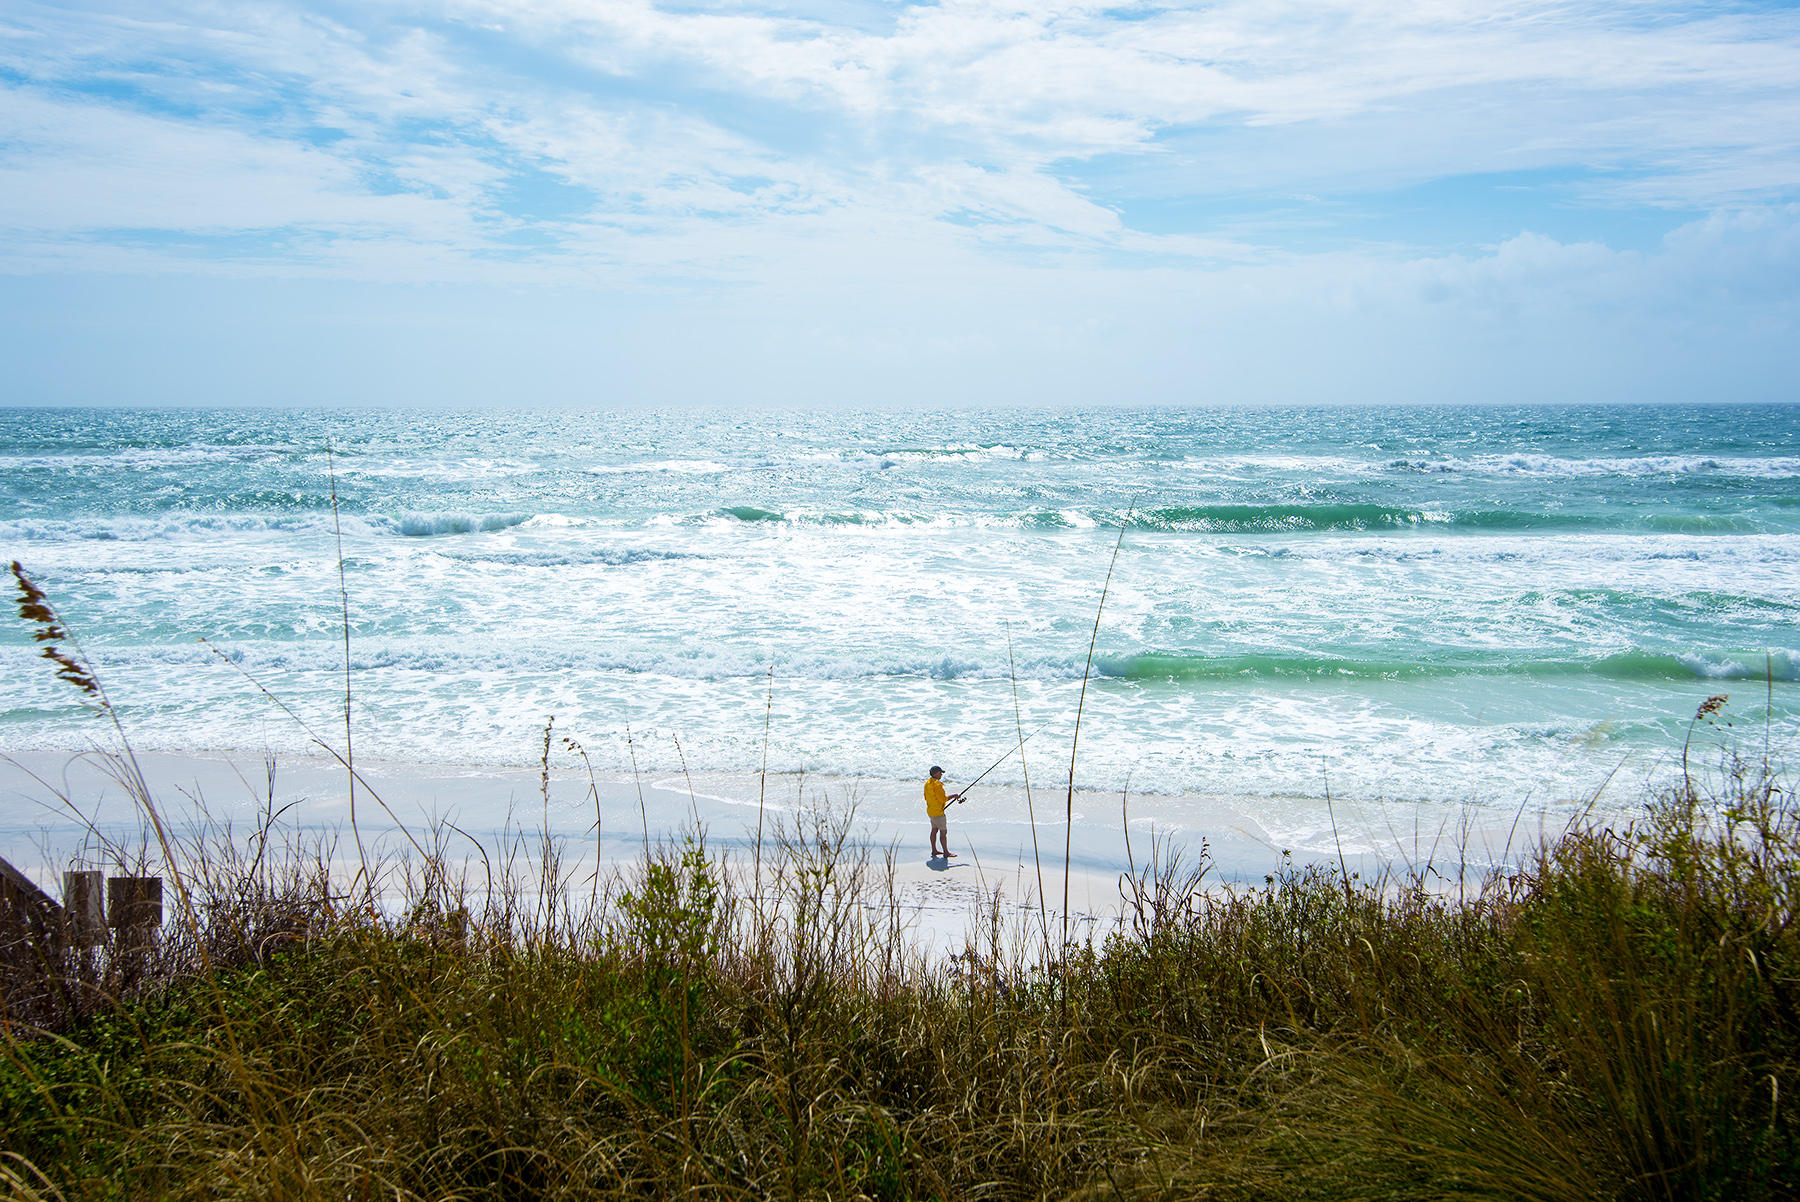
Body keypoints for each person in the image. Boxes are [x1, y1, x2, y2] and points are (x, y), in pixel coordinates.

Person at [925, 765, 962, 858]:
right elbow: (943, 799)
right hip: (938, 813)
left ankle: (934, 850)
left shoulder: (928, 783)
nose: (941, 774)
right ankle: (946, 852)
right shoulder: (937, 785)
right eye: (940, 772)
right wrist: (954, 796)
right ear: (935, 773)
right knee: (943, 832)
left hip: (931, 811)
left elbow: (926, 797)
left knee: (934, 830)